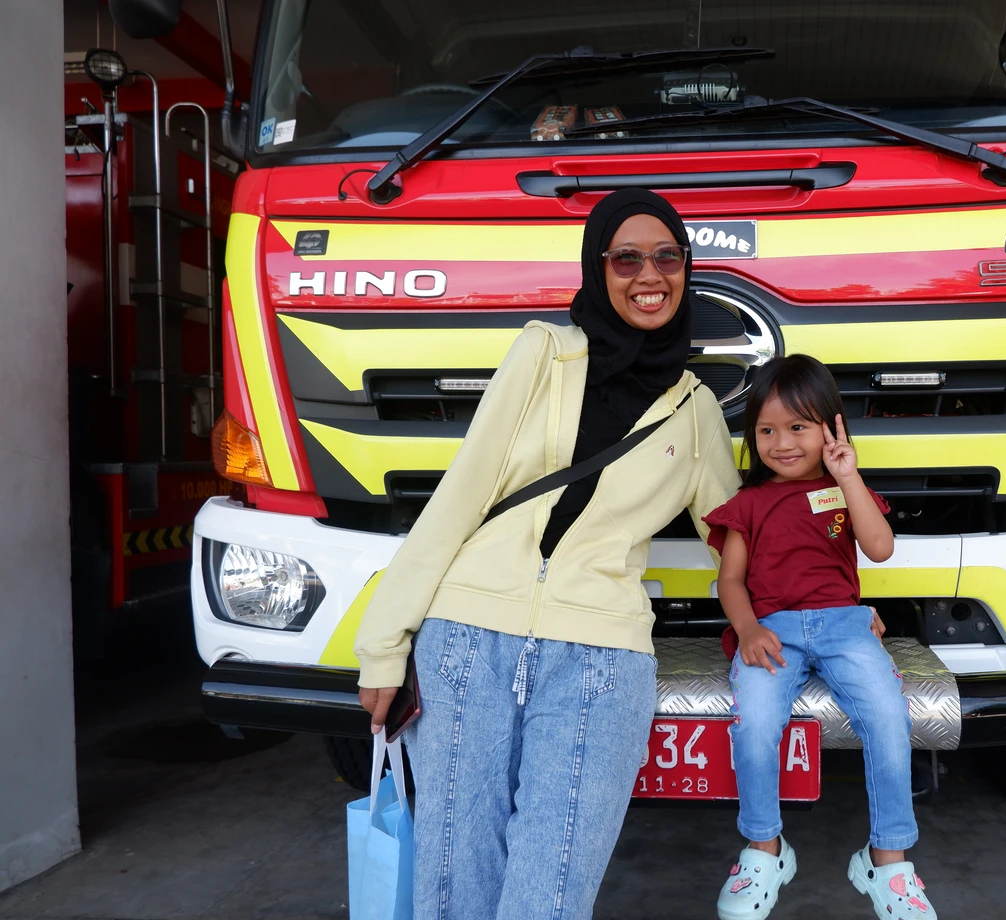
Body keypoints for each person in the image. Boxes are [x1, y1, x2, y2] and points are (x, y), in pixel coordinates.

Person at [352, 188, 740, 920]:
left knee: (549, 898)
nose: (648, 275)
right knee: (452, 890)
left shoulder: (695, 414)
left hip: (600, 662)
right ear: (599, 268)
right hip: (468, 643)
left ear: (686, 269)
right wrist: (383, 643)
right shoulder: (544, 352)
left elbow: (736, 545)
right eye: (626, 257)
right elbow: (460, 496)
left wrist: (824, 617)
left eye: (667, 257)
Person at [703, 354, 937, 920]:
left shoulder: (844, 489)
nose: (781, 443)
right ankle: (764, 849)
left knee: (888, 718)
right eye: (766, 429)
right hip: (772, 633)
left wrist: (847, 475)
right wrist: (747, 627)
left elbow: (879, 548)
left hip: (846, 626)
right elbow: (729, 581)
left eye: (799, 427)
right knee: (755, 724)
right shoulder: (748, 504)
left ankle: (888, 861)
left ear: (831, 428)